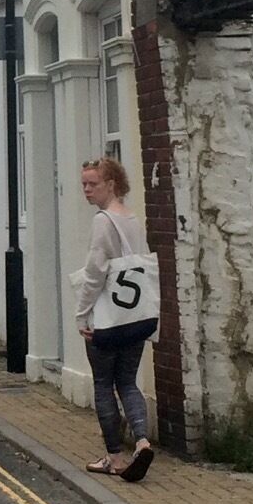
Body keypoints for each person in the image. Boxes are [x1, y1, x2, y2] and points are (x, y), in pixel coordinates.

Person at [73, 155, 156, 482]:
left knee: (104, 385)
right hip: (135, 316)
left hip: (107, 318)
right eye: (83, 184)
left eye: (93, 183)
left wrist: (82, 314)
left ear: (112, 184)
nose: (87, 190)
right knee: (128, 382)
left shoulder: (103, 221)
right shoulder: (132, 219)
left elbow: (95, 273)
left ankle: (114, 457)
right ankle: (142, 441)